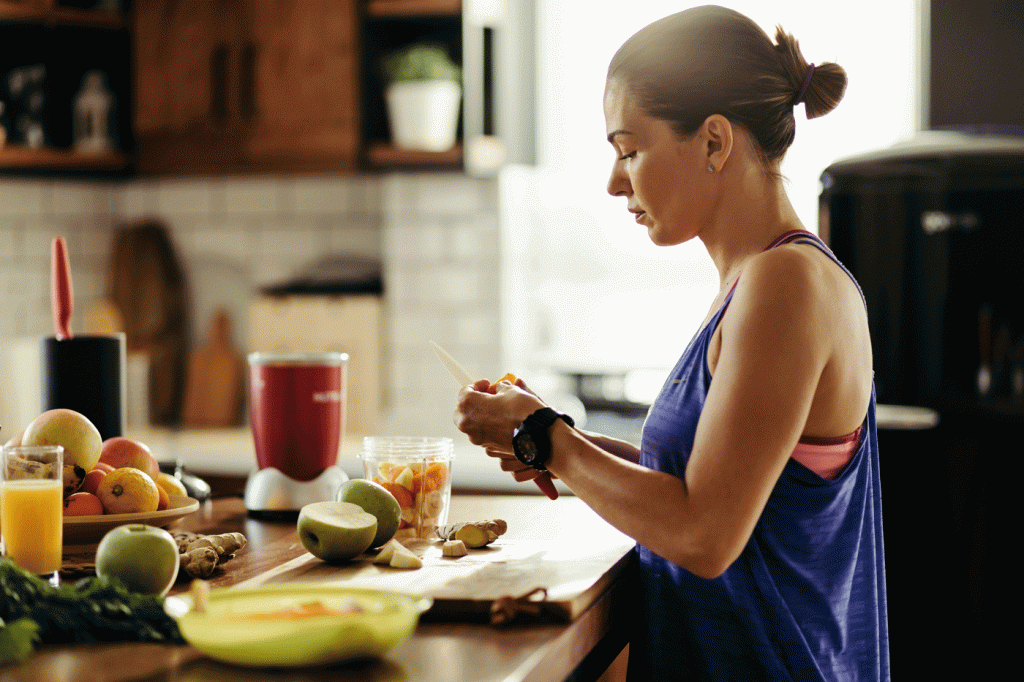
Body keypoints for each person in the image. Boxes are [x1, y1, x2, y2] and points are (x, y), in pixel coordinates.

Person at [453, 5, 889, 681]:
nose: (614, 180)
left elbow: (705, 535)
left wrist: (548, 440)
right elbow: (709, 481)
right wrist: (551, 436)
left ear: (715, 142)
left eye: (629, 149)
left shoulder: (786, 285)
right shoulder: (757, 283)